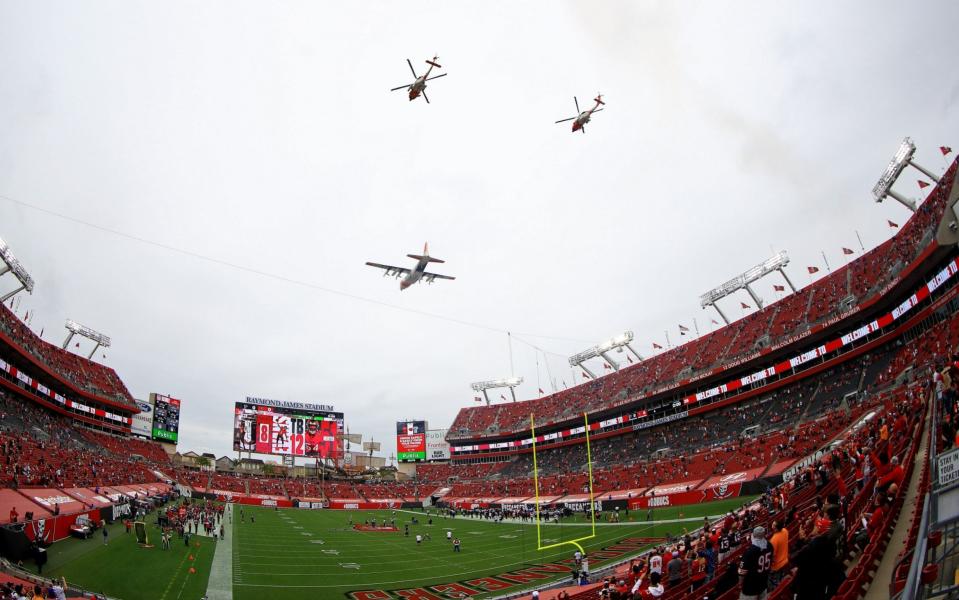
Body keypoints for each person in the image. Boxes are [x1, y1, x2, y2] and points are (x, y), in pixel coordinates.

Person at [738, 526, 772, 600]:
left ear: (754, 535)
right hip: (763, 583)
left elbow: (742, 572)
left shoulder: (750, 551)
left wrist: (740, 583)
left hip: (750, 587)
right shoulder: (770, 545)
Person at [768, 520, 789, 591]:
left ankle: (776, 591)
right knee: (780, 577)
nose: (772, 526)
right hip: (785, 560)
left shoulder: (774, 540)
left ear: (776, 528)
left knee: (775, 583)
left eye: (773, 525)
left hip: (777, 566)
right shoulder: (785, 530)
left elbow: (772, 556)